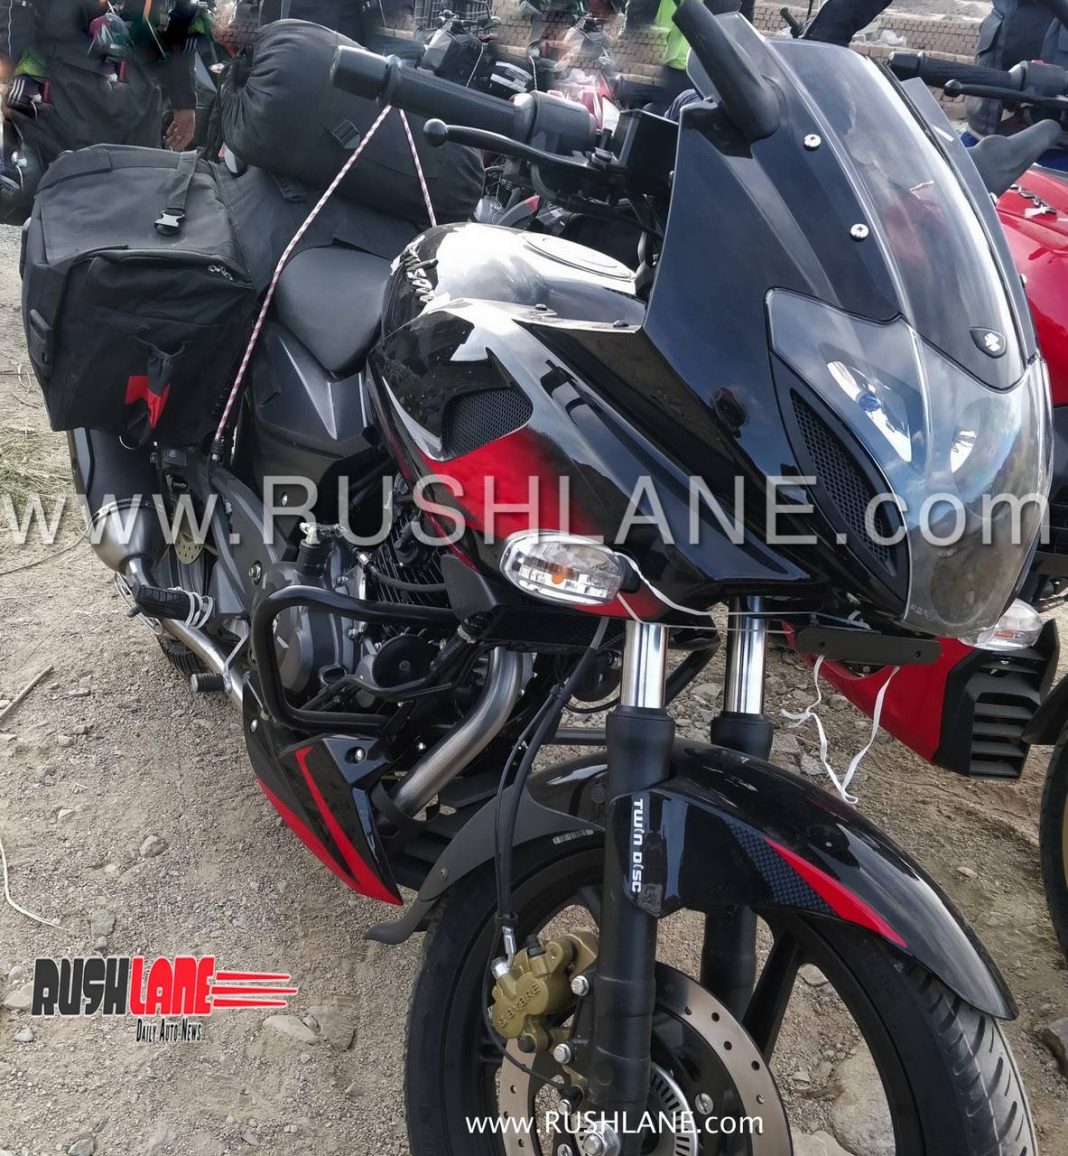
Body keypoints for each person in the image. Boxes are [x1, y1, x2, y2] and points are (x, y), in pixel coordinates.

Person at [0, 1, 199, 223]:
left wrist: (184, 99)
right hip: (69, 89)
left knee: (134, 212)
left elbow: (183, 13)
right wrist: (15, 73)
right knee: (68, 212)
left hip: (134, 94)